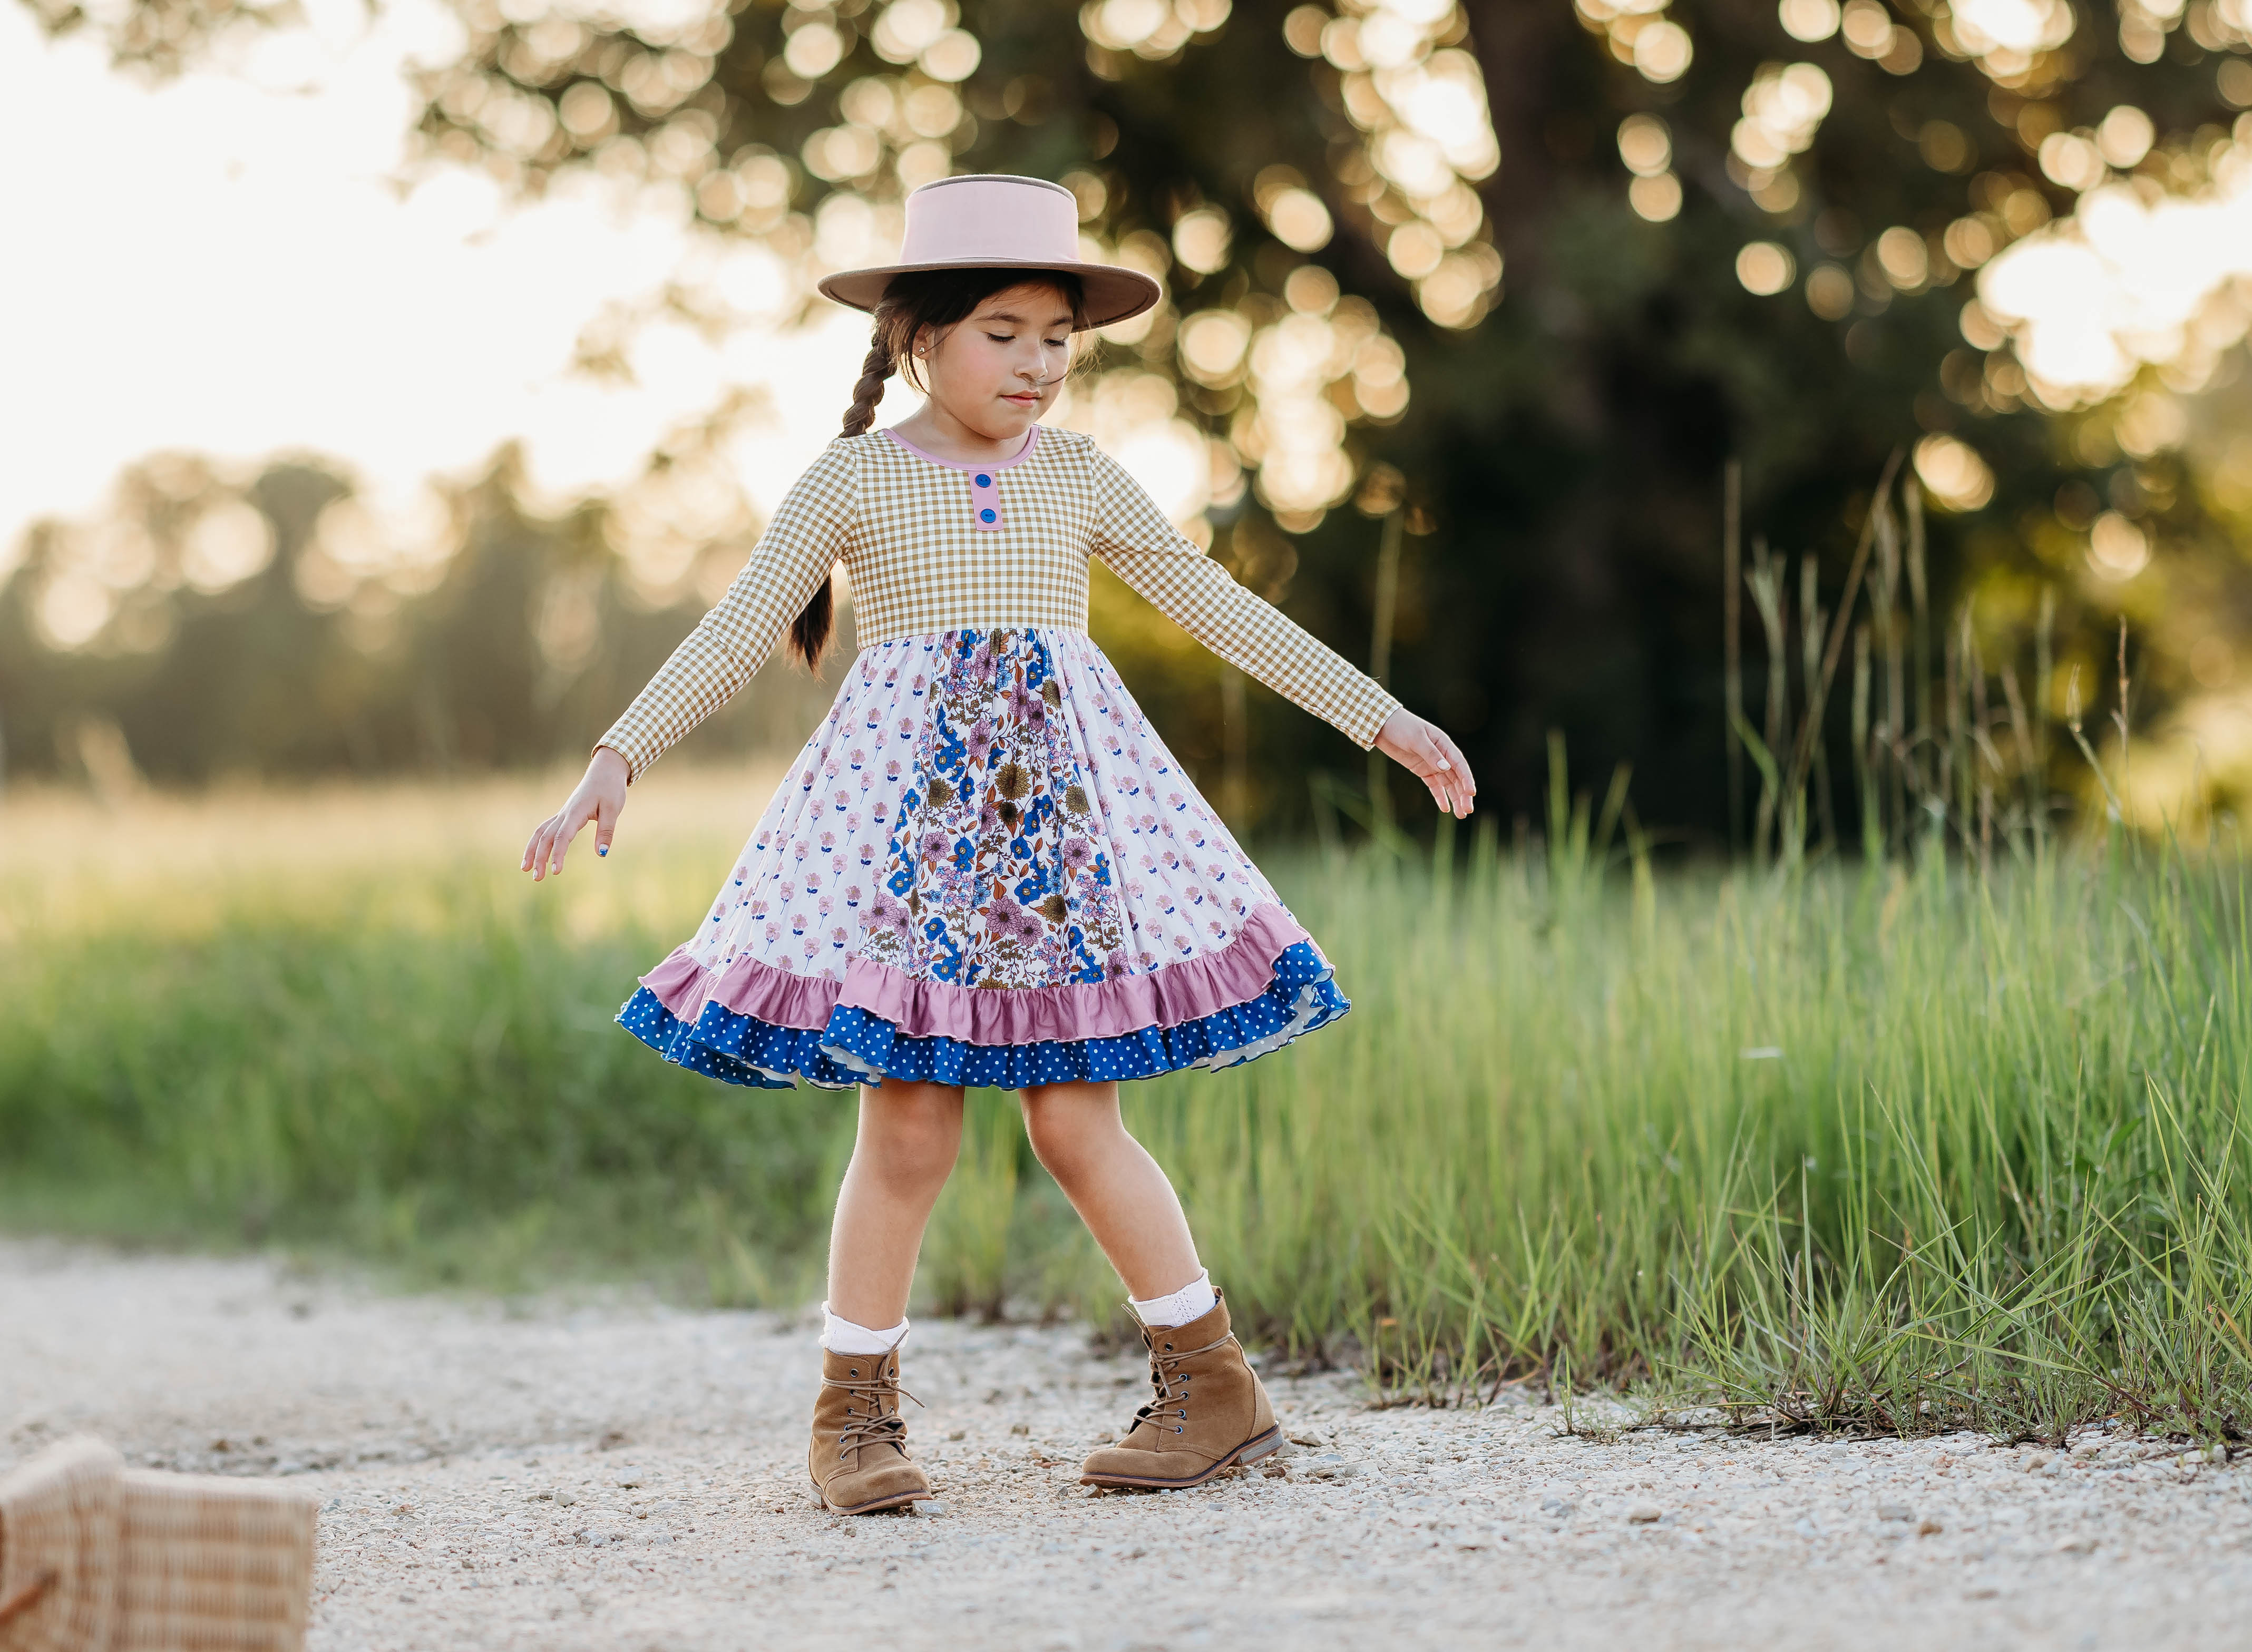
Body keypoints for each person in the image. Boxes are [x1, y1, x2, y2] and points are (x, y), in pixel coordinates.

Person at [520, 173, 1475, 1514]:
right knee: (906, 1123)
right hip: (910, 851)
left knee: (1078, 1121)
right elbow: (741, 626)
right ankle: (853, 1411)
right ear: (920, 335)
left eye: (1057, 340)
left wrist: (1381, 718)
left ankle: (1214, 1384)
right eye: (1003, 333)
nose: (1036, 365)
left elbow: (1209, 600)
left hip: (1058, 850)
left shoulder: (1080, 475)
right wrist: (614, 757)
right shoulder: (856, 477)